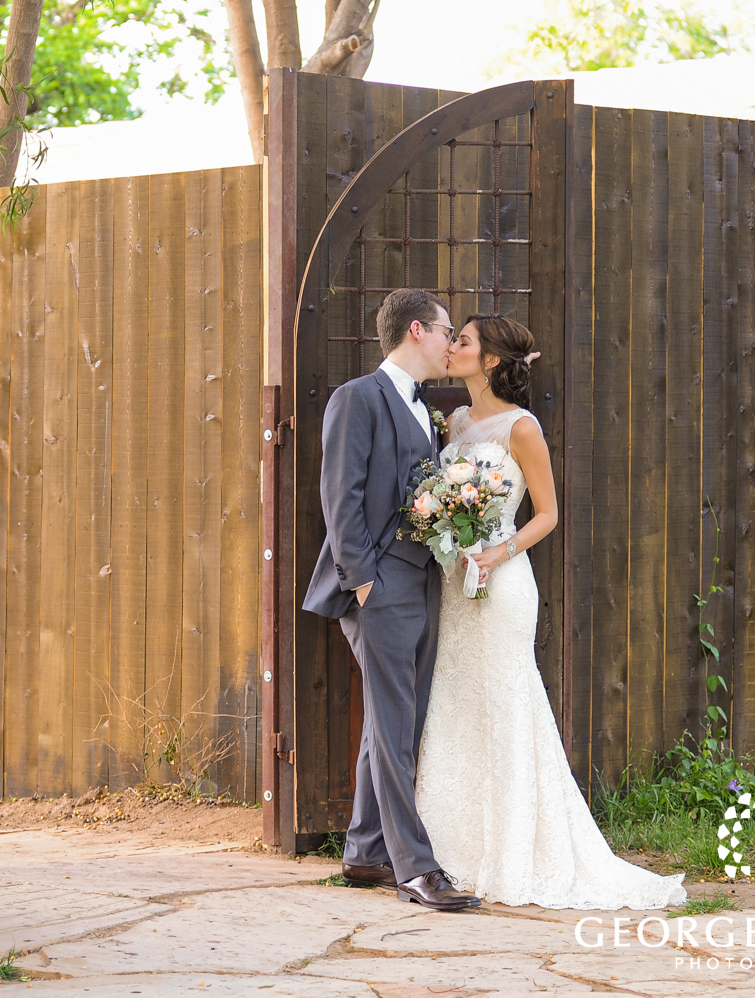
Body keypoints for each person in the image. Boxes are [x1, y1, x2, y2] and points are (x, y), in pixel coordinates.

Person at [414, 314, 687, 910]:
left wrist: (498, 551)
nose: (452, 347)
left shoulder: (522, 428)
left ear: (490, 360)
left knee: (507, 702)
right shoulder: (455, 422)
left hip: (502, 582)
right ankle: (453, 849)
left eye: (464, 341)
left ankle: (515, 852)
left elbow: (548, 513)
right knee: (457, 701)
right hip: (457, 583)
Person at [302, 288, 481, 912]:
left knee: (394, 719)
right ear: (417, 331)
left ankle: (365, 851)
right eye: (446, 330)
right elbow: (340, 494)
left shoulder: (421, 407)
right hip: (379, 586)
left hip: (420, 581)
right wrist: (362, 581)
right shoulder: (359, 397)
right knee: (397, 724)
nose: (451, 342)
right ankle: (416, 869)